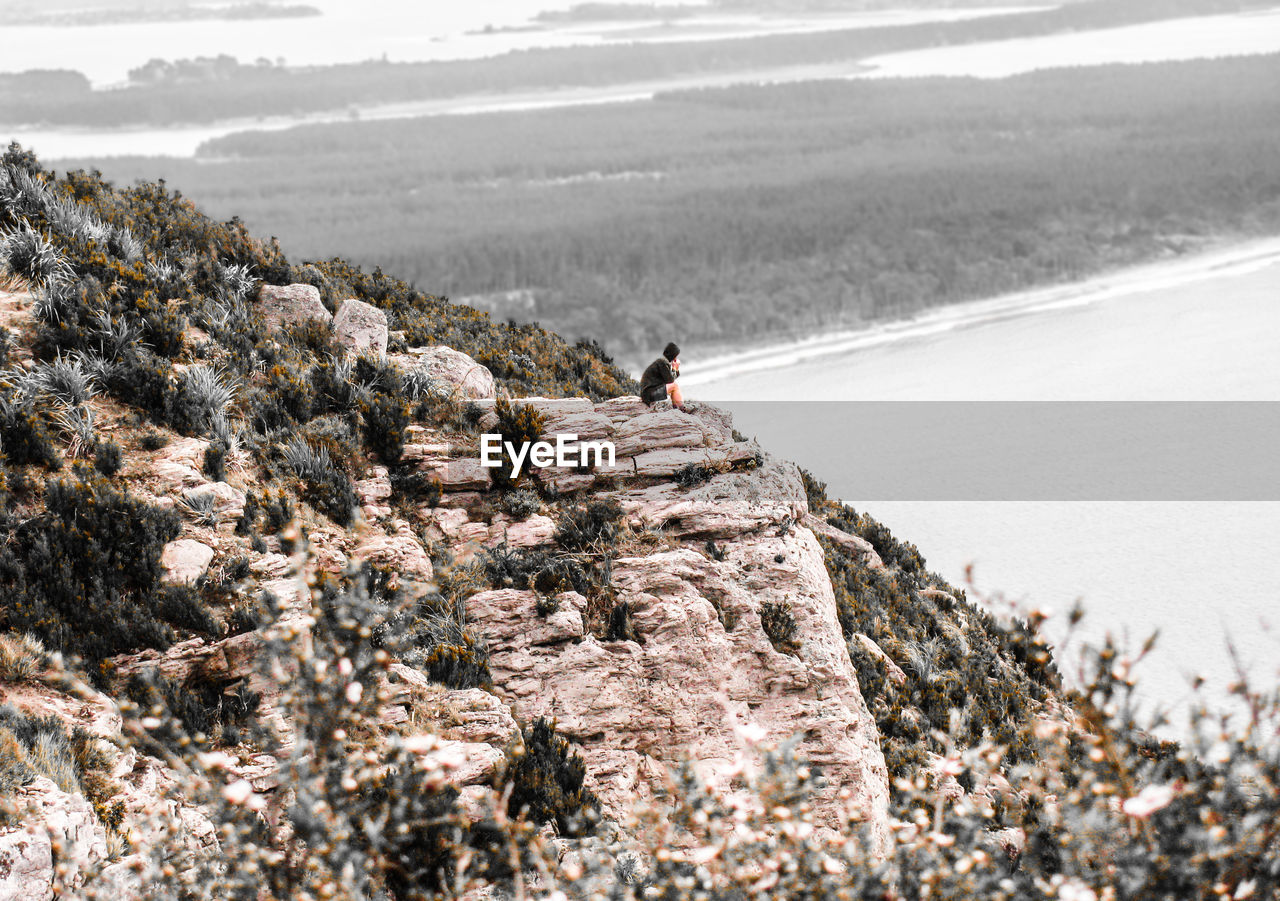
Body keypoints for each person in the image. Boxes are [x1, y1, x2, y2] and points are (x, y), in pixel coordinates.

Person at [639, 341, 689, 411]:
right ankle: (682, 409)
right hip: (648, 394)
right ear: (672, 355)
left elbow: (670, 378)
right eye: (675, 356)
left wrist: (676, 369)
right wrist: (675, 368)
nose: (675, 358)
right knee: (674, 386)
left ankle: (677, 408)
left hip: (649, 392)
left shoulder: (663, 362)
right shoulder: (662, 362)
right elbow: (670, 380)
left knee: (674, 387)